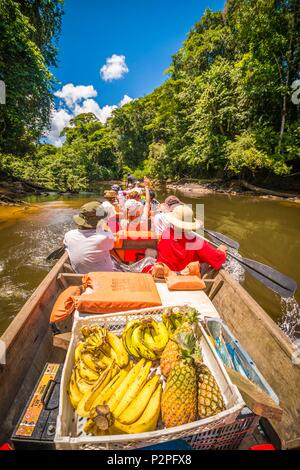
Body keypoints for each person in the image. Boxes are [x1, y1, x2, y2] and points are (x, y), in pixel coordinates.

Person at [155, 204, 227, 273]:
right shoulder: (197, 243)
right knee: (205, 261)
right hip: (183, 279)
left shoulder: (166, 232)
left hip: (162, 274)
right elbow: (218, 258)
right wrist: (222, 251)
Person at [64, 202, 114, 274]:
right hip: (104, 276)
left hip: (80, 275)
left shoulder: (68, 235)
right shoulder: (105, 237)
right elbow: (111, 246)